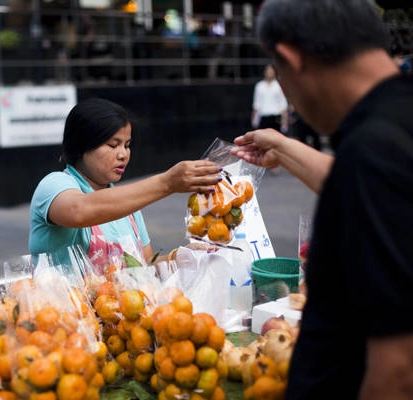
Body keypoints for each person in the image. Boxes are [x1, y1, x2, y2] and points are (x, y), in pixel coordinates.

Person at [231, 1, 413, 399]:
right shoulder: (395, 125)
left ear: (292, 59)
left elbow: (398, 370)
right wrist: (284, 148)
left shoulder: (374, 152)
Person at [29, 97, 221, 272]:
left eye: (127, 145)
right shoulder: (54, 184)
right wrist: (167, 183)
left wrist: (179, 258)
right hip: (63, 309)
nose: (123, 154)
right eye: (113, 145)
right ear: (81, 146)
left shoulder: (127, 205)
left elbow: (145, 267)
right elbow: (79, 210)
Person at [251, 63, 289, 133]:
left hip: (276, 118)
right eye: (268, 71)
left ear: (274, 72)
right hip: (264, 118)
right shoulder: (259, 86)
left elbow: (283, 105)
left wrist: (284, 123)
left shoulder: (279, 85)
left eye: (271, 71)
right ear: (265, 72)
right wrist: (254, 120)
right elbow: (256, 105)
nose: (269, 73)